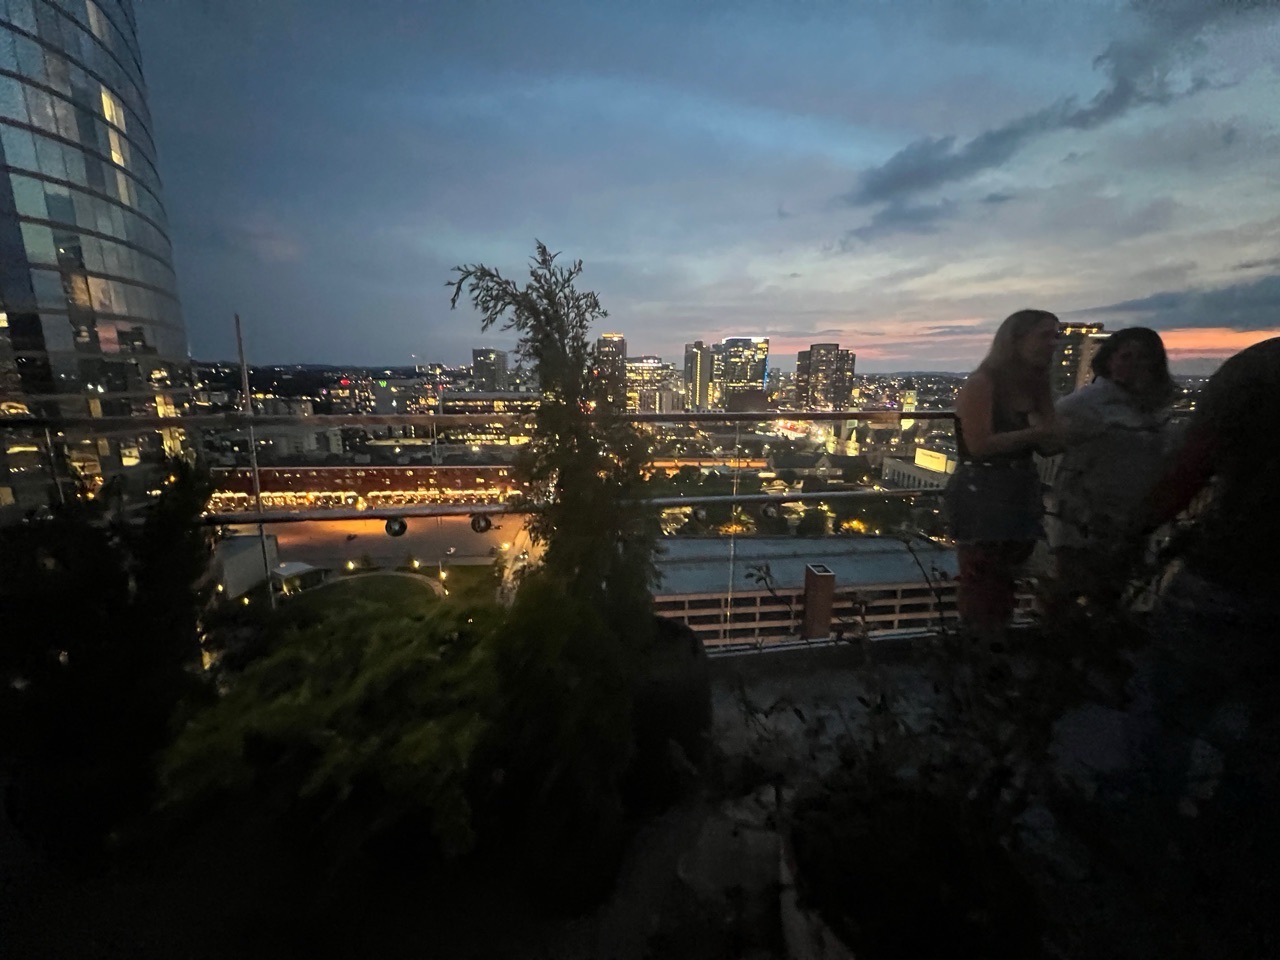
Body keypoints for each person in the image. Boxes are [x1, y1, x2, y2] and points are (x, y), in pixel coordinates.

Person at [945, 309, 1062, 638]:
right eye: (1045, 335)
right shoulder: (982, 383)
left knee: (1007, 576)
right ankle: (981, 646)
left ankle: (994, 642)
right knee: (983, 580)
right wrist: (1037, 432)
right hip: (982, 491)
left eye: (1057, 335)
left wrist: (1045, 433)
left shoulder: (1036, 385)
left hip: (1020, 488)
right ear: (1016, 340)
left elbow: (1052, 443)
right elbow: (979, 445)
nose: (1053, 343)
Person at [1048, 327, 1177, 607]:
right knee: (1070, 590)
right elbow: (1050, 443)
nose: (1134, 365)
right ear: (1108, 360)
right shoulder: (1083, 404)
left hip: (1132, 518)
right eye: (1125, 356)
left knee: (1110, 594)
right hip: (1086, 517)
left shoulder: (1154, 407)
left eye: (1143, 358)